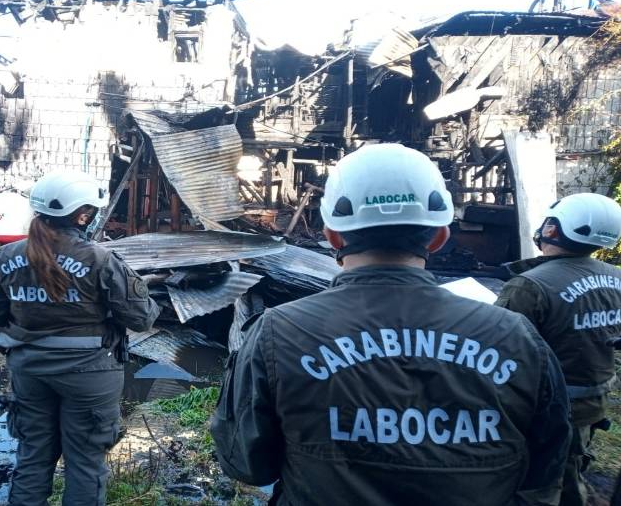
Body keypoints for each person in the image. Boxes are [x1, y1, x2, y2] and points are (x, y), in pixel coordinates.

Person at [211, 143, 572, 505]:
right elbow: (548, 464)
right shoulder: (516, 335)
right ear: (439, 236)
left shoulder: (278, 332)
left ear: (332, 235)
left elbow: (246, 464)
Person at [0, 170, 159, 506]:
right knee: (85, 463)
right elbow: (141, 318)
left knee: (32, 458)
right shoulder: (101, 259)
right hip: (91, 375)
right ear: (83, 215)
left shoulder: (3, 257)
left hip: (29, 371)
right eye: (93, 211)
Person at [495, 192, 621, 506]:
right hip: (591, 404)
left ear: (555, 228)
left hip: (538, 409)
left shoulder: (529, 285)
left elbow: (500, 345)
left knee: (545, 481)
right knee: (571, 467)